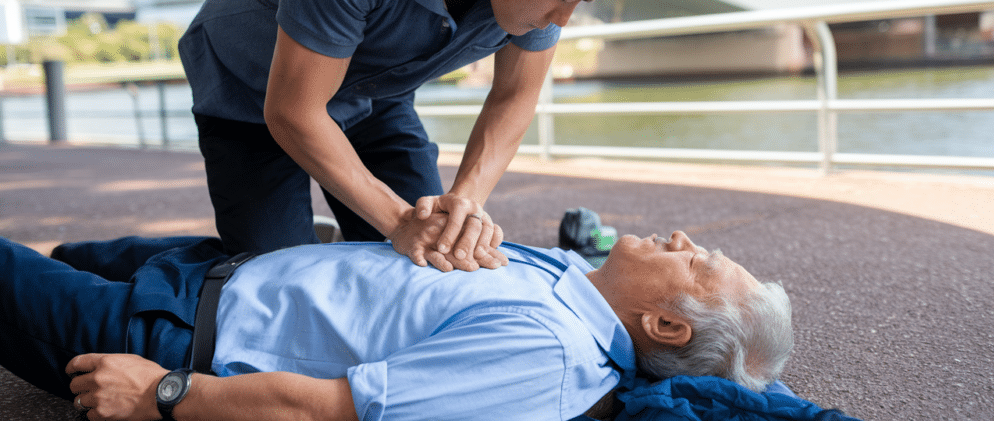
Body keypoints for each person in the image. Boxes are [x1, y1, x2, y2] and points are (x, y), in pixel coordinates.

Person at [176, 0, 659, 268]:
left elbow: (513, 96)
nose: (561, 21)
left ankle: (329, 236)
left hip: (375, 94)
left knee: (436, 256)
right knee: (275, 282)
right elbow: (294, 112)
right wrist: (395, 220)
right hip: (255, 88)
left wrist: (463, 207)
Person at [0, 227, 791, 421]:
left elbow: (337, 410)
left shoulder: (546, 358)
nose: (684, 241)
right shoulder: (571, 275)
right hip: (214, 268)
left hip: (173, 335)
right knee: (64, 250)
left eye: (698, 263)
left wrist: (165, 394)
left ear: (666, 325)